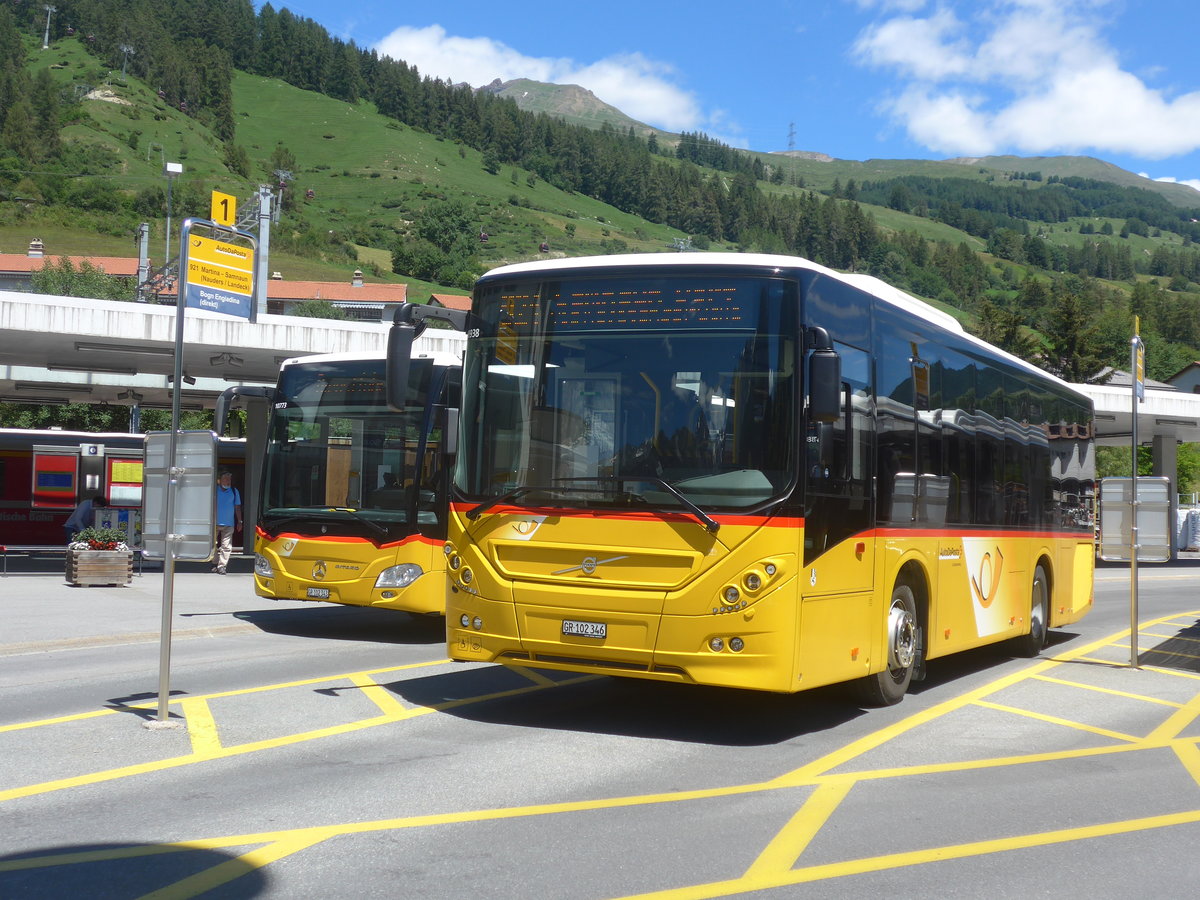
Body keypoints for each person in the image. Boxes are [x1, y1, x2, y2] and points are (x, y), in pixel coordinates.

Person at [213, 470, 242, 574]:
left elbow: (237, 507)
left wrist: (240, 521)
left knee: (226, 546)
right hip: (214, 523)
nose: (228, 481)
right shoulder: (214, 490)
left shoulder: (234, 491)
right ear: (219, 480)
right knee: (212, 545)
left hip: (229, 524)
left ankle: (222, 566)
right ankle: (216, 563)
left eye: (229, 479)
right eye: (225, 478)